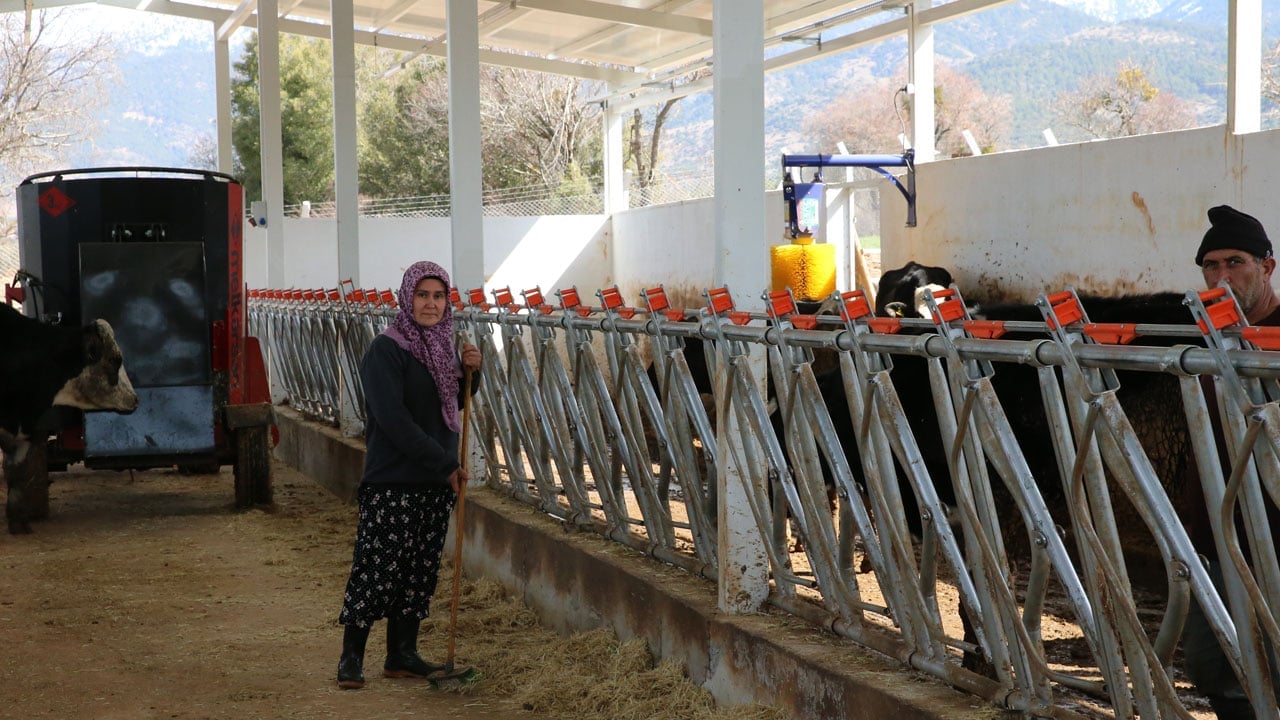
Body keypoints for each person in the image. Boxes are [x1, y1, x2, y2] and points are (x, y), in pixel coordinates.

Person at [335, 260, 482, 690]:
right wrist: (445, 463)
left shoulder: (444, 349)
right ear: (407, 298)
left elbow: (452, 405)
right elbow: (394, 421)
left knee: (419, 572)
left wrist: (472, 373)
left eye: (438, 296)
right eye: (422, 295)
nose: (430, 304)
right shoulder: (386, 350)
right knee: (375, 568)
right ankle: (351, 657)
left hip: (434, 482)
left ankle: (401, 654)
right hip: (393, 480)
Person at [1182, 205, 1280, 718]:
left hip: (1276, 530)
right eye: (1210, 265)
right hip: (1222, 532)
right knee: (1213, 663)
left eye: (1235, 262)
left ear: (1267, 267)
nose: (1222, 276)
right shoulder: (1211, 340)